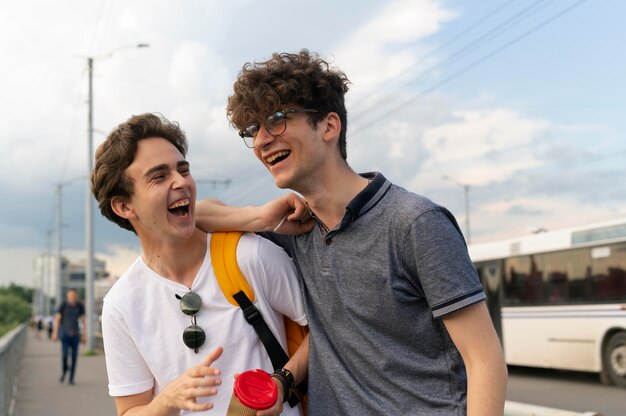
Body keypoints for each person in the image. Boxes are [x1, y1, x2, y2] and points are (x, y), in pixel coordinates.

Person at [196, 50, 508, 415]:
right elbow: (196, 217)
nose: (262, 140)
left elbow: (485, 362)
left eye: (277, 120)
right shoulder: (297, 231)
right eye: (253, 130)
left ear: (329, 126)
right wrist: (260, 218)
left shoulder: (414, 223)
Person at [91, 113, 308, 416]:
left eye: (183, 170)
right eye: (159, 176)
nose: (181, 182)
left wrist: (282, 382)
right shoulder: (121, 304)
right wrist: (166, 400)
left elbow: (323, 330)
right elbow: (129, 411)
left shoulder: (248, 256)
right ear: (124, 206)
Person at [52, 288, 86, 385]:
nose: (72, 297)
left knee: (74, 357)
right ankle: (64, 370)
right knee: (65, 355)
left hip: (75, 334)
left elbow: (83, 321)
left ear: (76, 295)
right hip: (65, 334)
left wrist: (84, 335)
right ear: (67, 296)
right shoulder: (63, 306)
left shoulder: (80, 306)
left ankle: (71, 378)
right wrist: (55, 333)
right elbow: (57, 319)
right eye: (71, 295)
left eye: (74, 295)